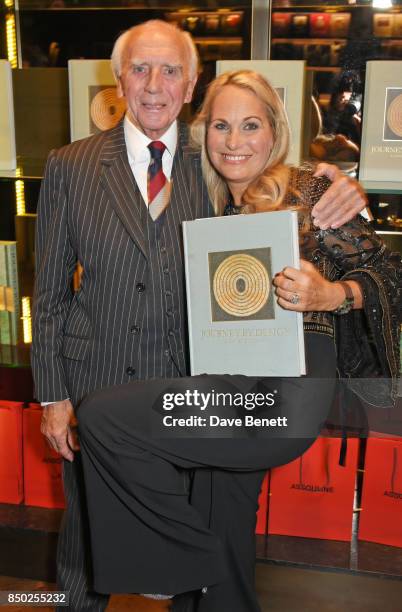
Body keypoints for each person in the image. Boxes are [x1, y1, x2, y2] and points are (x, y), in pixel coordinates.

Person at [32, 20, 369, 612]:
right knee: (82, 558)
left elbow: (276, 178)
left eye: (170, 71)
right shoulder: (70, 165)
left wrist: (339, 183)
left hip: (201, 387)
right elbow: (51, 291)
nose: (155, 84)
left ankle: (210, 581)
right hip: (96, 378)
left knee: (213, 526)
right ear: (118, 80)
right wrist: (53, 395)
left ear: (190, 84)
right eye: (141, 68)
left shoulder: (214, 158)